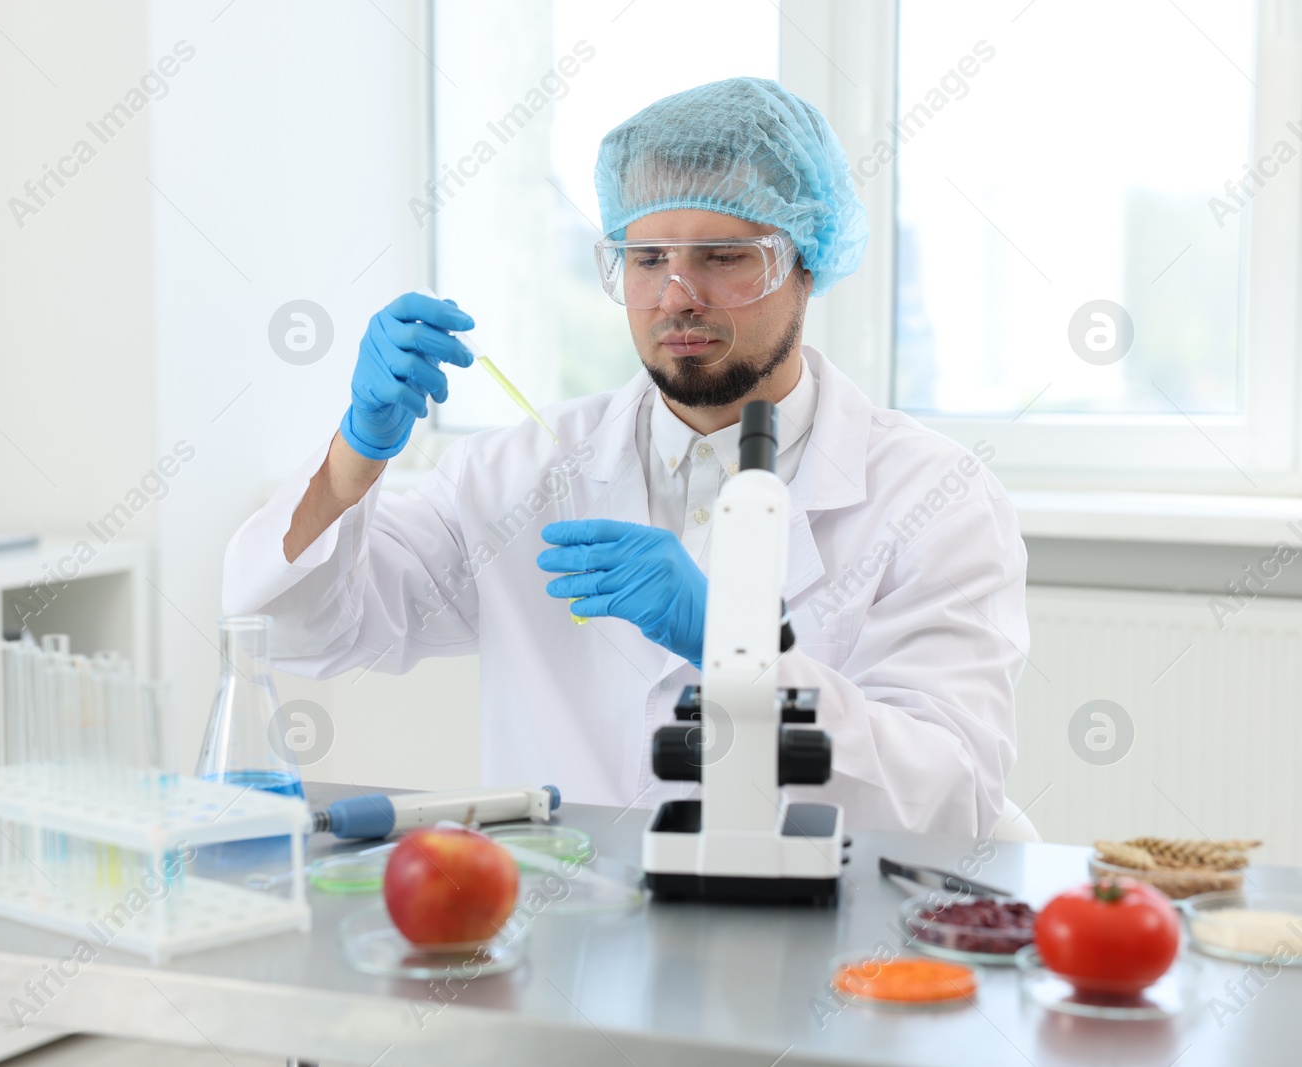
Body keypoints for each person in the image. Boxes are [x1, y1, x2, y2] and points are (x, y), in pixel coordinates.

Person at [224, 78, 1028, 836]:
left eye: (721, 255)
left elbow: (949, 800)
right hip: (560, 939)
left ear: (808, 262)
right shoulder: (520, 474)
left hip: (813, 943)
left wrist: (738, 652)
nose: (677, 295)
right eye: (647, 259)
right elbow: (297, 631)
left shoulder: (934, 498)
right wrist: (354, 456)